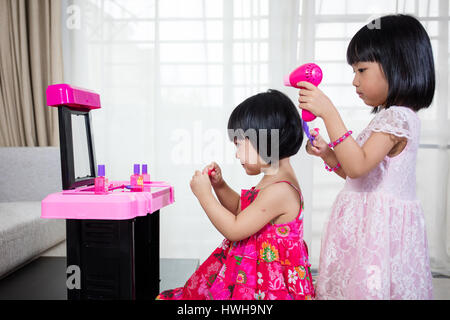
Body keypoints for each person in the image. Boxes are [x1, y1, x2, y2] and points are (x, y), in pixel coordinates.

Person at [298, 14, 434, 299]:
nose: (354, 81)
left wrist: (329, 112)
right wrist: (329, 154)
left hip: (375, 231)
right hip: (366, 226)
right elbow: (354, 170)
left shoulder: (397, 119)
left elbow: (358, 166)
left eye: (361, 70)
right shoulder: (390, 118)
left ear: (398, 65)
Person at [157, 89, 314, 300]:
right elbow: (244, 211)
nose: (236, 153)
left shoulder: (280, 190)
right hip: (253, 277)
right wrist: (220, 186)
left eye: (239, 144)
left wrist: (205, 196)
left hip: (267, 289)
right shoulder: (274, 178)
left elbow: (235, 228)